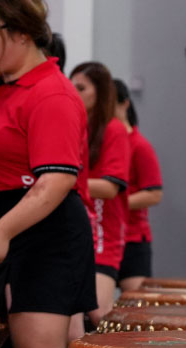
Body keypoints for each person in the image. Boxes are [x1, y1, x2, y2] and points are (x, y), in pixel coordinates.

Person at [0, 0, 97, 347]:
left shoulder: (53, 94)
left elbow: (56, 180)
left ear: (22, 32)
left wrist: (2, 232)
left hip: (43, 232)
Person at [69, 62, 130, 320]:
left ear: (101, 92)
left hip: (104, 233)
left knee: (98, 315)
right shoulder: (74, 125)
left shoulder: (114, 129)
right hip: (74, 229)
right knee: (70, 317)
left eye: (81, 88)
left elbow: (110, 188)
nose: (74, 92)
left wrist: (64, 180)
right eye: (71, 86)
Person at [113, 78, 163, 293]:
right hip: (103, 237)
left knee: (136, 305)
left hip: (132, 238)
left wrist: (115, 202)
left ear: (124, 104)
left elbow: (154, 194)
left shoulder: (140, 145)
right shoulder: (98, 145)